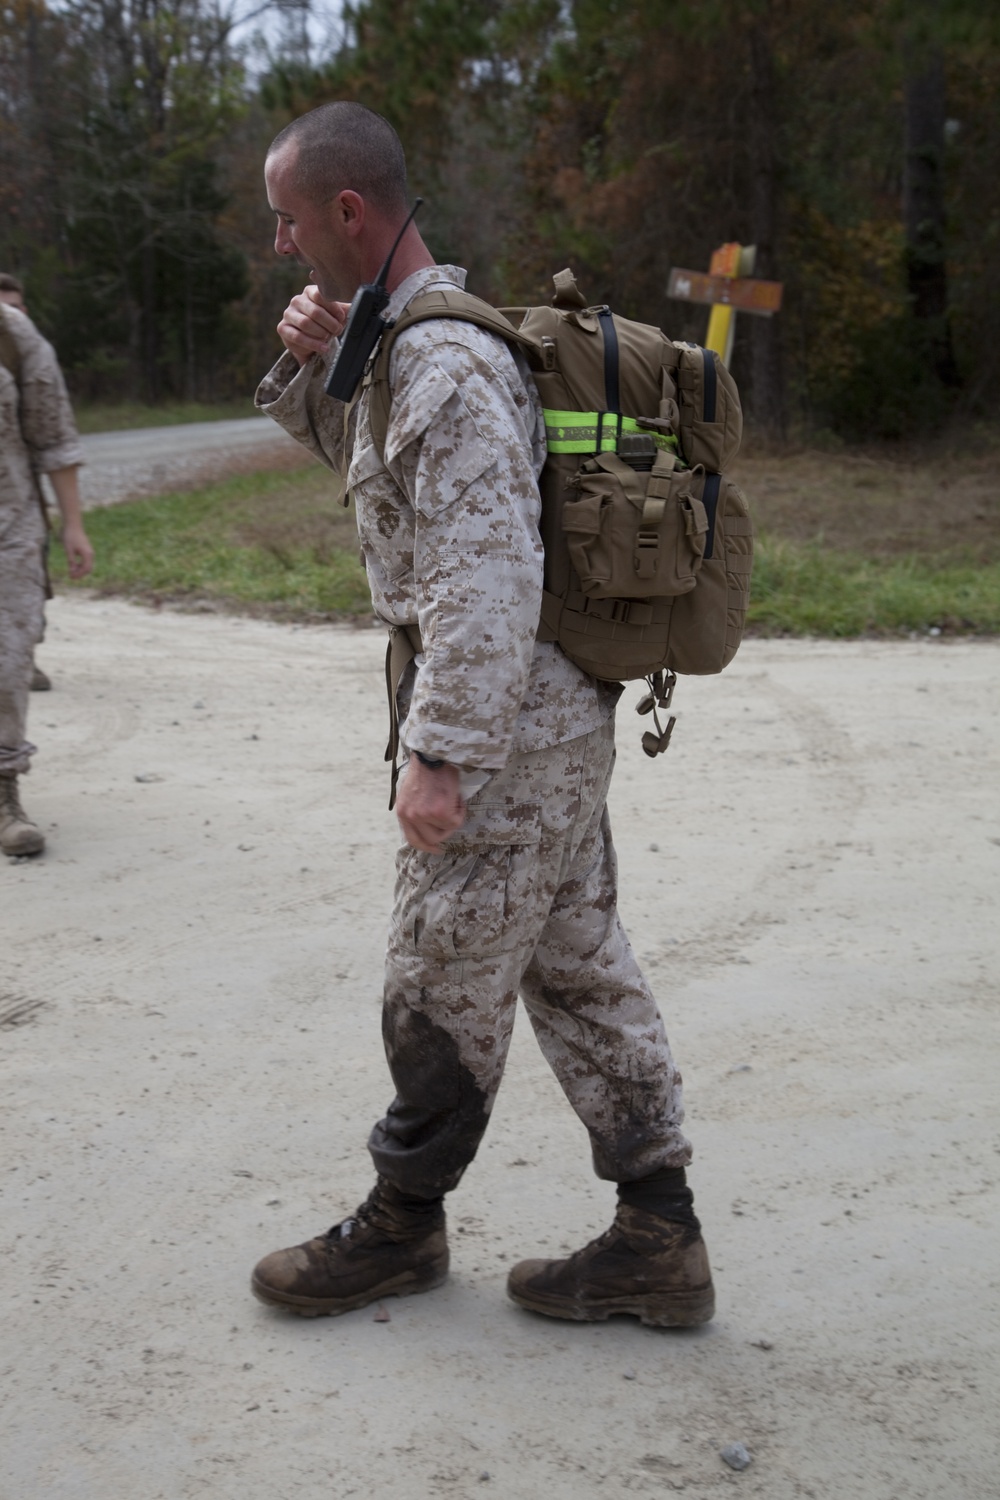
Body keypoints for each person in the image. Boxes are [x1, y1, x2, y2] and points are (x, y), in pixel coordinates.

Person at [251, 102, 714, 1329]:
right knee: (576, 967)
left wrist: (444, 756)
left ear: (348, 211)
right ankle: (659, 1237)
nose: (283, 247)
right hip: (553, 717)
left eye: (289, 222)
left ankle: (400, 1227)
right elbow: (380, 480)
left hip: (507, 731)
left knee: (435, 979)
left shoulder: (444, 361)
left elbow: (484, 573)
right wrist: (313, 357)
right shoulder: (399, 338)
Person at [0, 276, 94, 856]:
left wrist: (73, 524)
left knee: (8, 658)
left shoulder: (11, 333)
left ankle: (3, 790)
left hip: (9, 528)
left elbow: (53, 435)